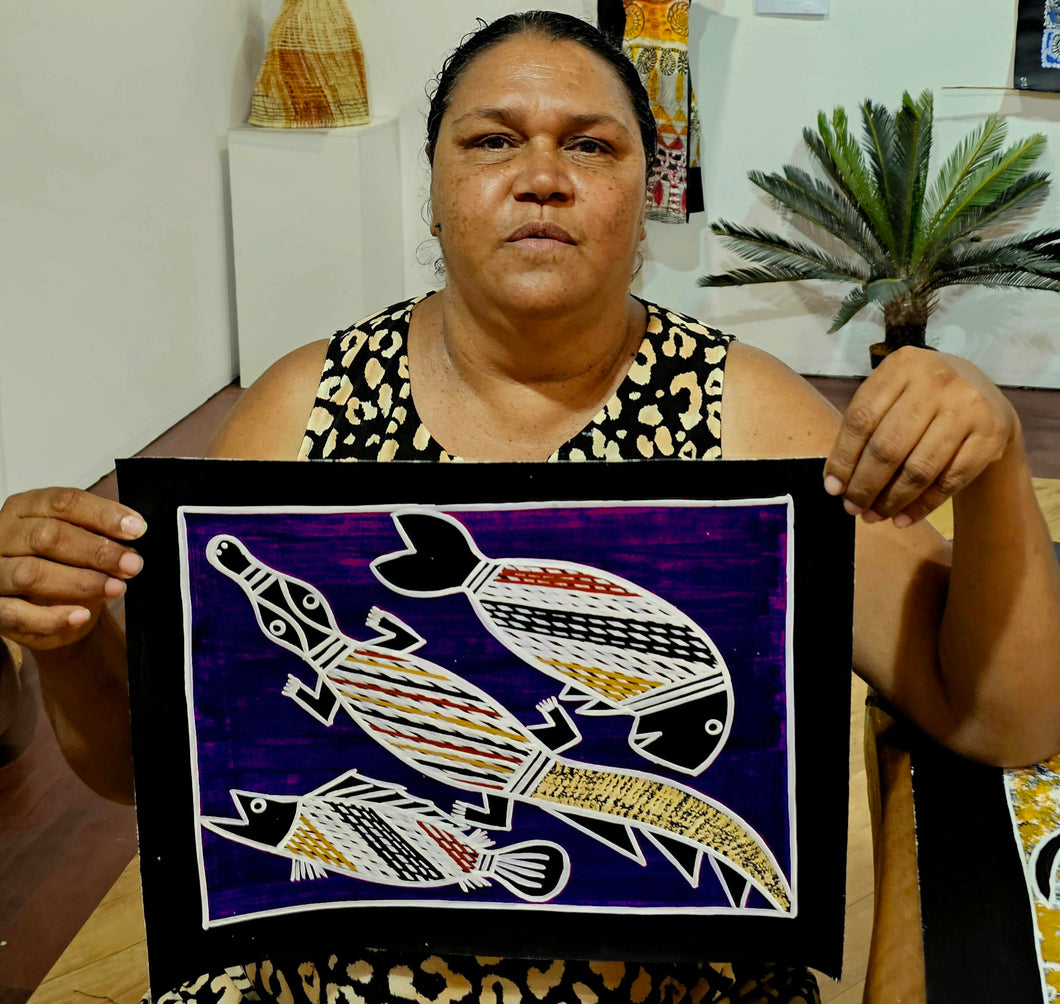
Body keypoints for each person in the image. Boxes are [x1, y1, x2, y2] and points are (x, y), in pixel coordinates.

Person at [1, 11, 1059, 1004]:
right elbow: (148, 774)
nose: (543, 177)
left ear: (647, 185)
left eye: (591, 146)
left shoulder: (754, 423)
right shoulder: (301, 414)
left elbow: (1008, 718)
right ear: (433, 187)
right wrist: (62, 634)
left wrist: (999, 458)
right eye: (492, 141)